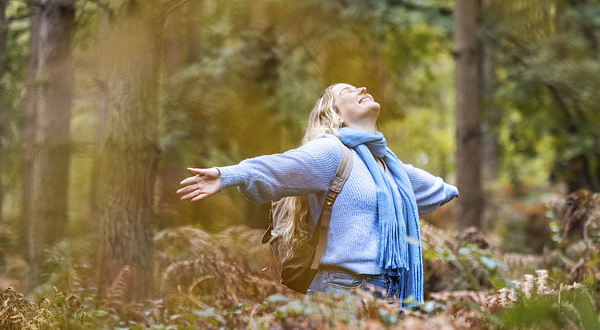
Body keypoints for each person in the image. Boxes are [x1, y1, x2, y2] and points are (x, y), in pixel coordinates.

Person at [177, 83, 458, 304]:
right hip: (343, 289)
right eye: (348, 91)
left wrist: (456, 190)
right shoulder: (332, 151)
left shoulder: (389, 168)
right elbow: (279, 167)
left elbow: (434, 189)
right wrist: (228, 175)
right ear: (335, 114)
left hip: (389, 290)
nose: (362, 89)